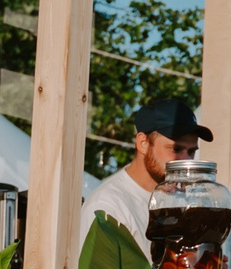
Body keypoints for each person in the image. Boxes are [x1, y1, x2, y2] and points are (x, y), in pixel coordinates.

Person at [77, 97, 211, 249]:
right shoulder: (108, 206)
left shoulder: (183, 201)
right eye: (176, 149)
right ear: (143, 144)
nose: (185, 161)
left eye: (191, 151)